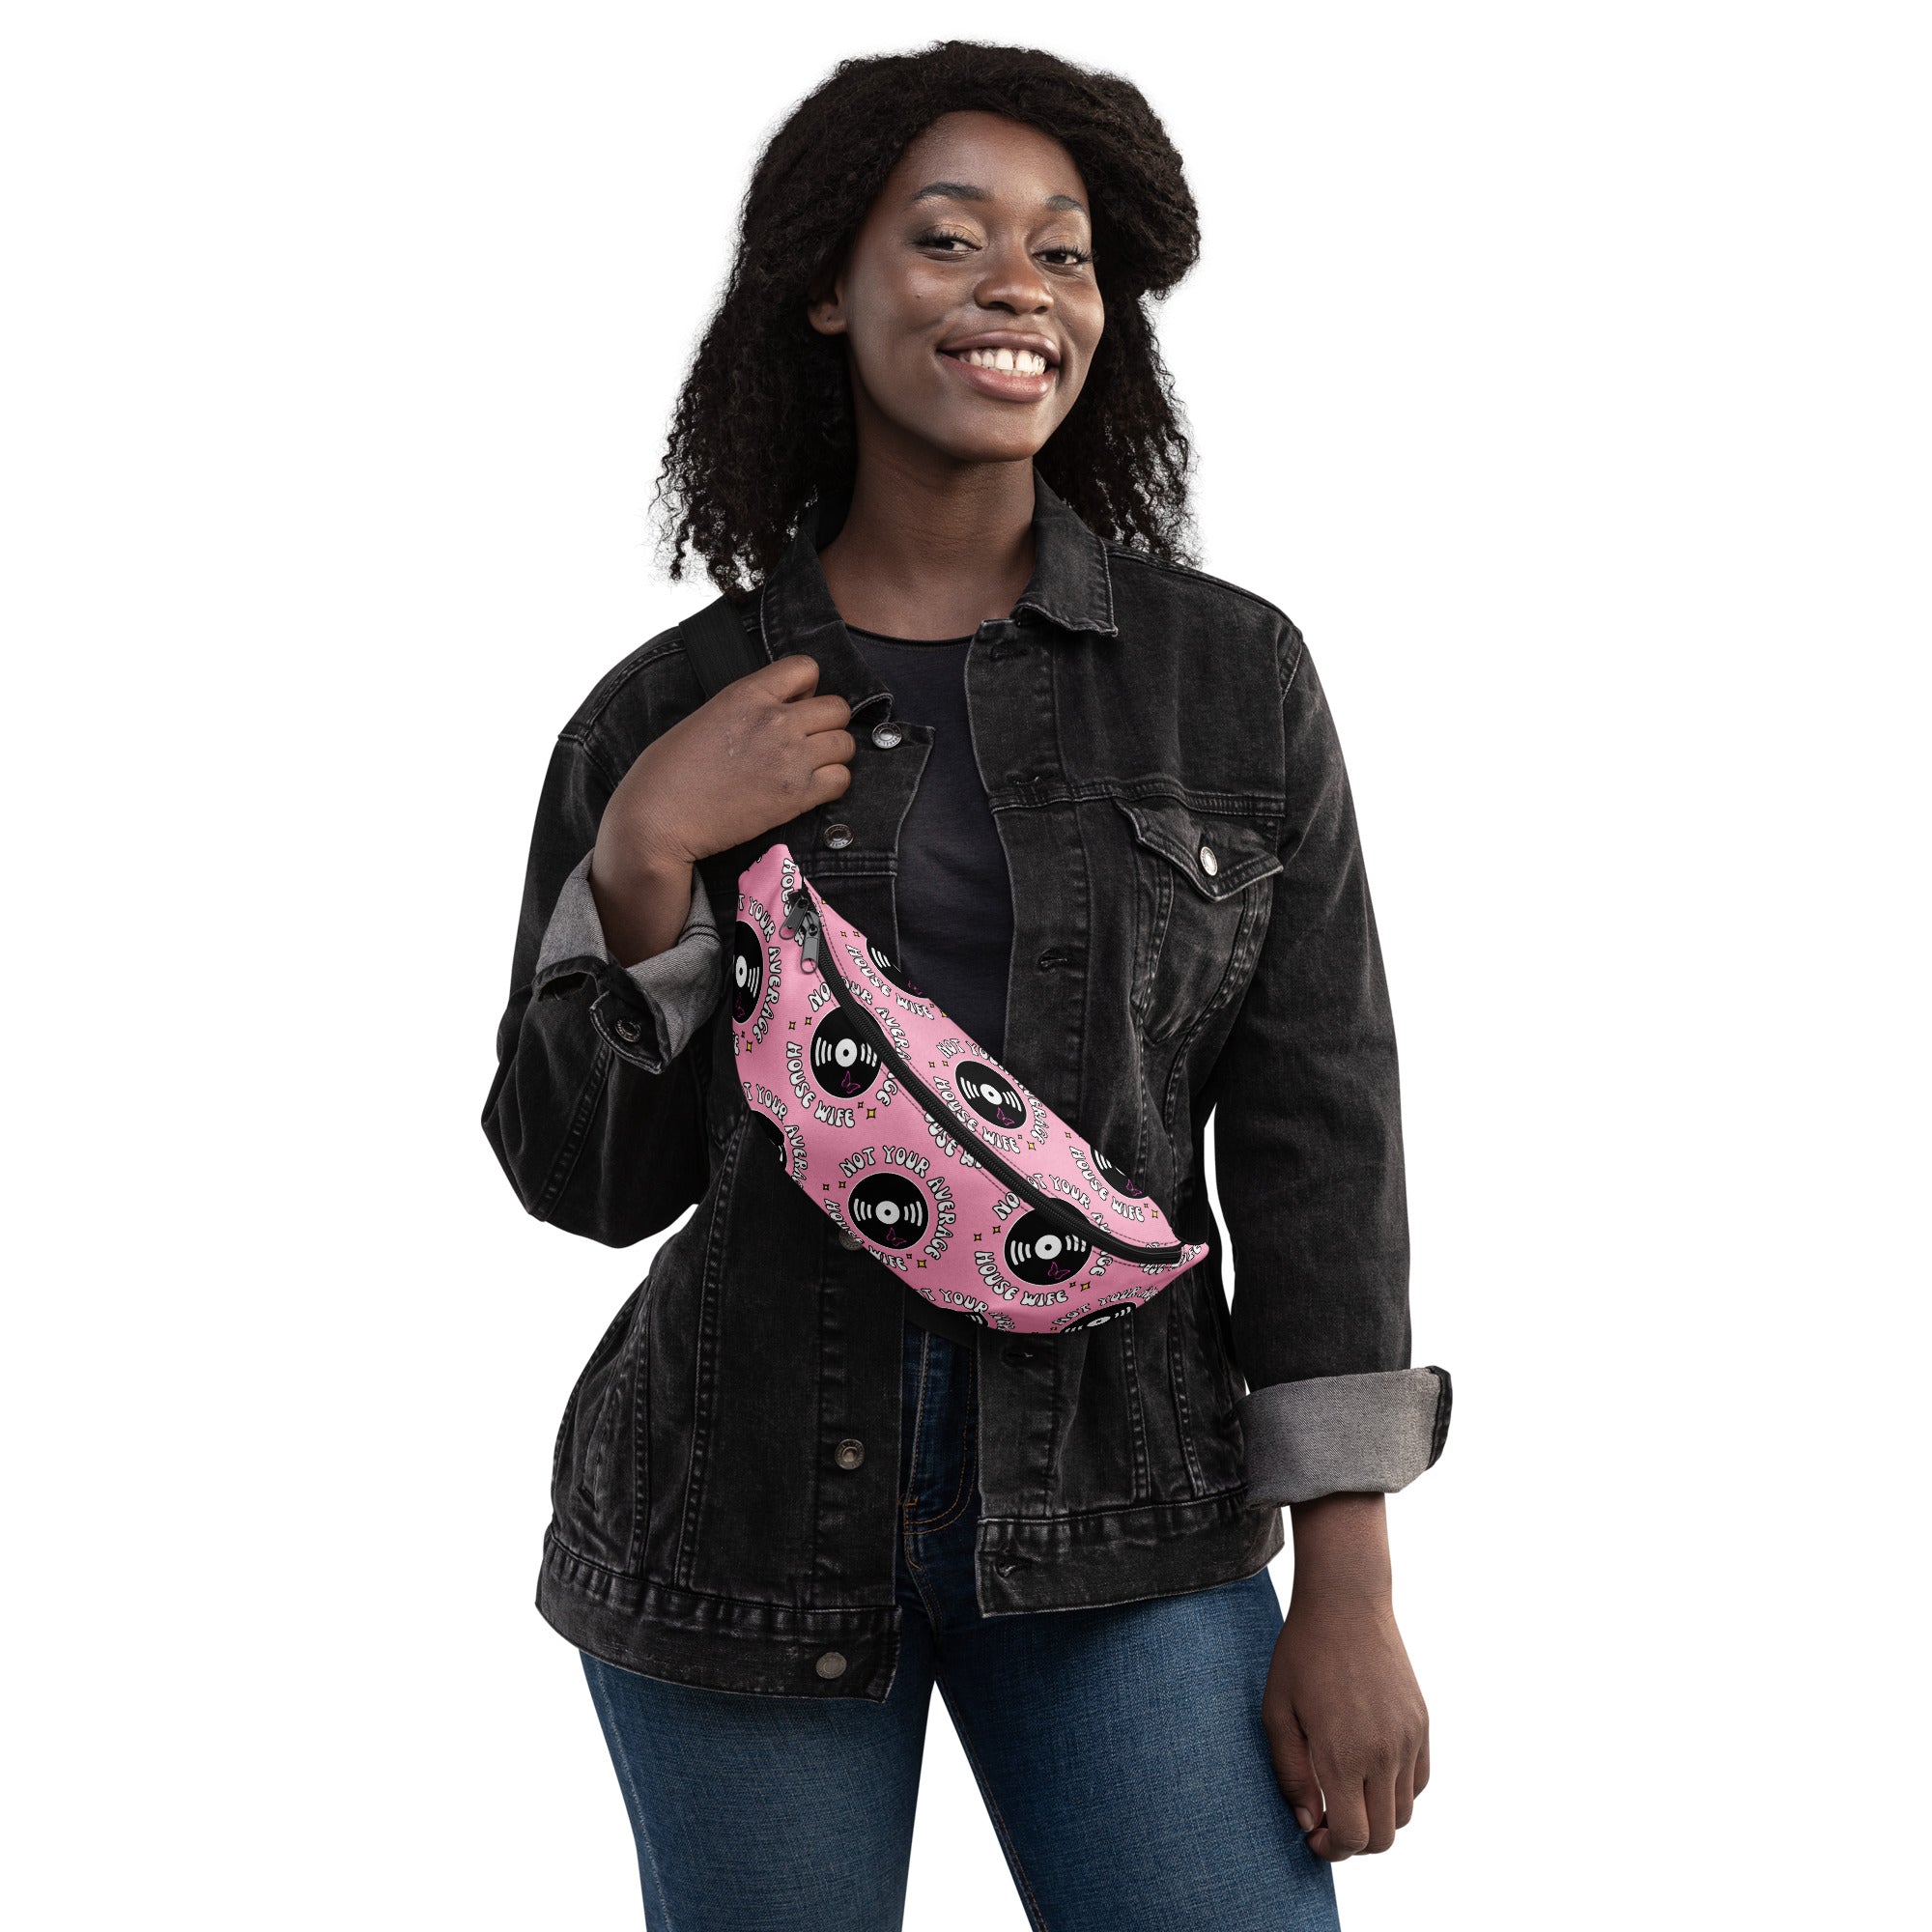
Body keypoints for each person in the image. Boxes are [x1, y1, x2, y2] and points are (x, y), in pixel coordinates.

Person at [481, 41, 1450, 1932]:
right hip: (736, 1518)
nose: (1020, 287)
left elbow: (1319, 1137)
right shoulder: (665, 714)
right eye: (949, 239)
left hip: (1130, 1500)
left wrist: (1349, 1578)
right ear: (825, 292)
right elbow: (582, 1181)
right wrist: (646, 856)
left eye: (1062, 253)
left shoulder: (1229, 682)